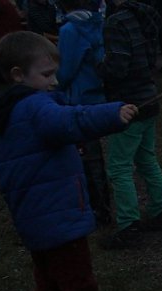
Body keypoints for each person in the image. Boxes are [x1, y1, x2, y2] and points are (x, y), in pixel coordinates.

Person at [0, 31, 137, 291]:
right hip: (58, 218)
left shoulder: (8, 115)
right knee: (79, 288)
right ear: (17, 76)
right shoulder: (36, 106)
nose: (53, 82)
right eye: (46, 75)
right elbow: (72, 120)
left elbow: (48, 139)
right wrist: (114, 114)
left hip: (34, 218)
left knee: (50, 288)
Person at [101, 0, 162, 248]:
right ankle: (160, 211)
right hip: (149, 97)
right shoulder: (147, 16)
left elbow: (118, 67)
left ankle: (128, 226)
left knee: (119, 166)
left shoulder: (117, 21)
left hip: (129, 103)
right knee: (146, 158)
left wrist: (96, 64)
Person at [57, 0, 112, 226]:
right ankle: (102, 205)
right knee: (95, 155)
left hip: (80, 98)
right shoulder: (99, 23)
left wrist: (56, 84)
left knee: (87, 156)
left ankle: (98, 208)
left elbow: (66, 70)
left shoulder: (70, 30)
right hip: (98, 94)